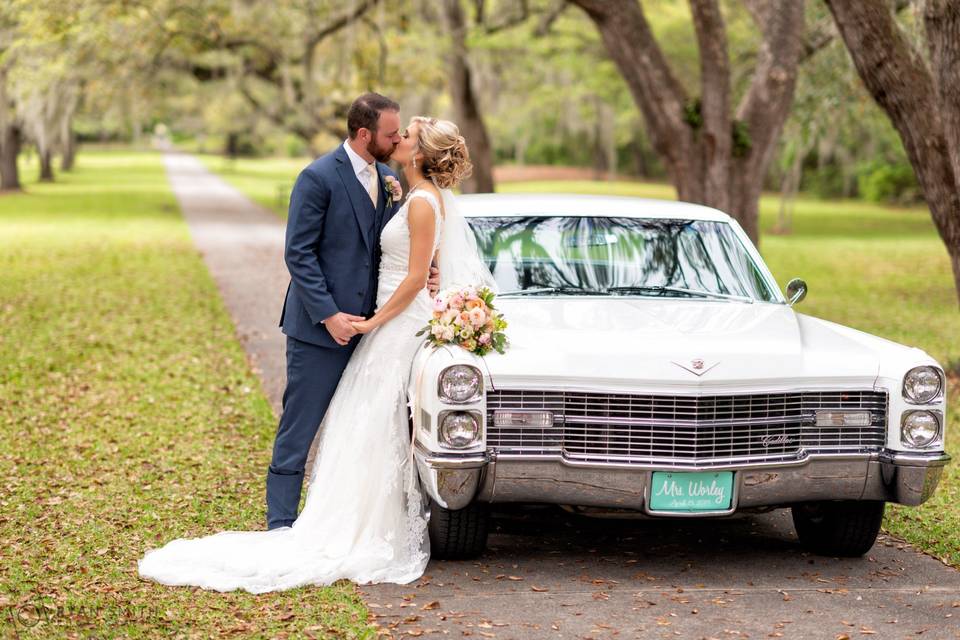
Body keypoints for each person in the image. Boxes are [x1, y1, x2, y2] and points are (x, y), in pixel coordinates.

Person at [137, 115, 479, 592]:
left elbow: (413, 264)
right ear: (365, 134)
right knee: (309, 423)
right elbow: (299, 253)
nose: (398, 139)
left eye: (406, 135)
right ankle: (282, 522)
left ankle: (369, 523)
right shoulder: (324, 177)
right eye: (393, 132)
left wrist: (400, 299)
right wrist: (334, 315)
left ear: (419, 153)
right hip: (332, 327)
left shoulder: (410, 193)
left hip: (385, 325)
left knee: (376, 425)